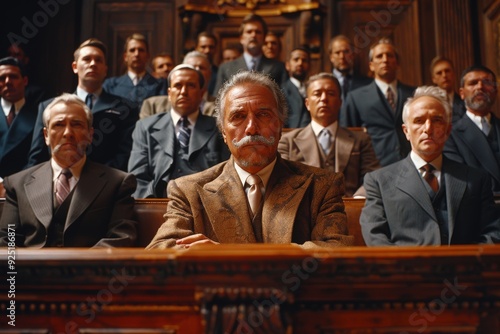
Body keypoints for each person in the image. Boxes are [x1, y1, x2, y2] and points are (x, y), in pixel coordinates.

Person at [146, 71, 353, 249]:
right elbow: (159, 253)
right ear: (223, 132)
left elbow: (336, 252)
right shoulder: (188, 191)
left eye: (263, 114)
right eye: (238, 116)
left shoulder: (323, 186)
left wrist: (227, 256)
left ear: (280, 126)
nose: (252, 128)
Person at [360, 86, 500, 246]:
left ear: (448, 130)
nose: (428, 128)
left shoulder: (476, 179)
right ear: (406, 131)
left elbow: (493, 231)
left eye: (436, 120)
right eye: (419, 121)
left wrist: (466, 264)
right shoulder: (378, 181)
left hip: (464, 268)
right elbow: (375, 237)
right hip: (405, 269)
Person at [0, 93, 138, 248]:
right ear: (46, 135)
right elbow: (7, 241)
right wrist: (21, 271)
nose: (68, 133)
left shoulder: (117, 183)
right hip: (31, 270)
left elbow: (120, 239)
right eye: (59, 124)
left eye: (77, 124)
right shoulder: (17, 184)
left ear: (90, 135)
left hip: (89, 270)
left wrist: (79, 269)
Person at [27, 38, 139, 172]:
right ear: (75, 67)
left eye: (98, 60)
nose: (93, 64)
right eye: (86, 59)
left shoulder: (125, 108)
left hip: (108, 182)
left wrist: (99, 179)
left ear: (105, 69)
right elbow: (37, 156)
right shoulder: (49, 106)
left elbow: (126, 154)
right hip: (57, 181)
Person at [128, 64, 229, 198]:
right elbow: (137, 180)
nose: (183, 92)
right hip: (159, 205)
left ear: (201, 93)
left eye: (191, 86)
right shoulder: (145, 127)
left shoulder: (219, 128)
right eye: (178, 86)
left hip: (207, 207)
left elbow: (229, 177)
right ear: (169, 93)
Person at [279, 73, 380, 197]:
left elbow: (372, 177)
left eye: (330, 94)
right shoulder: (287, 141)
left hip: (349, 210)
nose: (324, 99)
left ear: (340, 103)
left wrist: (356, 202)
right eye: (317, 94)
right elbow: (281, 180)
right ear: (307, 104)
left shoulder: (361, 139)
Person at [341, 38, 416, 166]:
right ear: (371, 65)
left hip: (411, 164)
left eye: (389, 55)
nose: (385, 60)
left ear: (397, 63)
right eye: (379, 56)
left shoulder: (414, 94)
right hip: (374, 168)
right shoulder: (355, 97)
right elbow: (347, 138)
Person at [443, 65, 500, 195]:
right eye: (473, 83)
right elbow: (463, 183)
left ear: (495, 91)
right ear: (462, 93)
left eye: (486, 82)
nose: (480, 87)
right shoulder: (450, 135)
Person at [213, 14, 288, 94]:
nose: (253, 35)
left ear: (264, 38)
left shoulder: (278, 67)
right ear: (241, 38)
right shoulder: (225, 68)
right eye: (249, 32)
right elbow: (217, 99)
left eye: (258, 32)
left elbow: (284, 99)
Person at [139, 51, 216, 119]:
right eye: (191, 67)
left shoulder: (219, 106)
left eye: (201, 67)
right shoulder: (153, 105)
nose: (197, 70)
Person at [0, 57, 40, 179]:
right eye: (1, 78)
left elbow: (37, 158)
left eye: (13, 77)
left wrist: (11, 184)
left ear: (25, 81)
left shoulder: (39, 115)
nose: (7, 82)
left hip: (23, 184)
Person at [103, 33, 163, 107]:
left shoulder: (160, 85)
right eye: (132, 50)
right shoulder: (111, 85)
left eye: (141, 50)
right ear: (125, 57)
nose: (137, 54)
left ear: (148, 56)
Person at [328, 35, 372, 99]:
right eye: (337, 53)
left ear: (353, 55)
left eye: (346, 52)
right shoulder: (324, 83)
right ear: (331, 57)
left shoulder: (368, 83)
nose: (342, 57)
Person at [280, 47, 311, 128]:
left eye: (304, 60)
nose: (300, 63)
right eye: (296, 59)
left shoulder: (313, 89)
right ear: (287, 65)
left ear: (309, 66)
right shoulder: (281, 91)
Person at [430, 56, 465, 122]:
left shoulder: (465, 104)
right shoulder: (430, 105)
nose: (444, 75)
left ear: (454, 74)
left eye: (447, 71)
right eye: (439, 73)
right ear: (433, 79)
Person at [195, 32, 218, 96]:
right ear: (196, 48)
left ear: (215, 49)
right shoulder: (188, 71)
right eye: (203, 47)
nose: (207, 50)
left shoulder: (219, 73)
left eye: (211, 47)